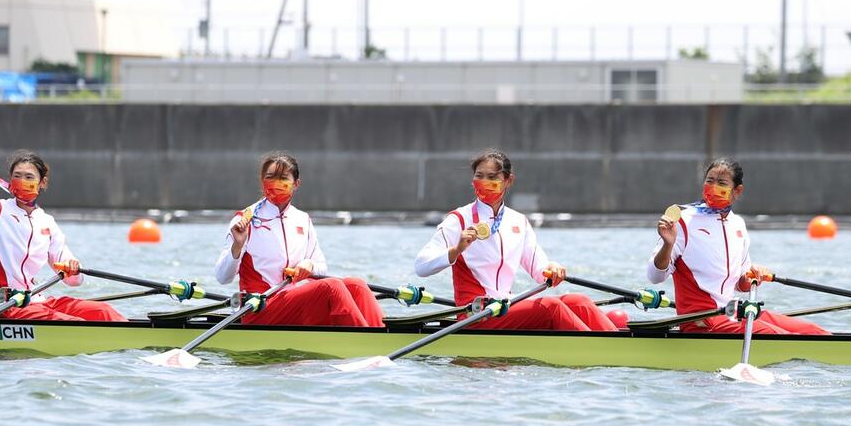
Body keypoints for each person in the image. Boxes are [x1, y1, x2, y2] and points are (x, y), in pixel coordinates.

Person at [414, 149, 617, 331]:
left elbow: (540, 271)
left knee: (579, 301)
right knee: (551, 307)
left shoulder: (518, 221)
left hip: (506, 306)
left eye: (492, 177)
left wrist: (552, 268)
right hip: (476, 313)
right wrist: (456, 250)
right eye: (479, 176)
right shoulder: (458, 219)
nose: (484, 182)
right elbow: (421, 266)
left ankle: (616, 346)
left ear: (508, 181)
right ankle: (599, 352)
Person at [648, 157, 829, 334]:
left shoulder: (738, 224)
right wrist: (667, 245)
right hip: (700, 320)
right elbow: (655, 276)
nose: (713, 187)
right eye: (709, 181)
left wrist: (752, 277)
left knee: (815, 332)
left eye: (721, 183)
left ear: (737, 191)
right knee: (782, 336)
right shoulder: (683, 220)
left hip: (732, 313)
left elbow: (740, 285)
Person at [0, 150, 127, 322]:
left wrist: (74, 268)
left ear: (42, 183)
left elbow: (74, 281)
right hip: (3, 305)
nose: (22, 181)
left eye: (29, 177)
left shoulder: (47, 222)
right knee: (73, 324)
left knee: (104, 311)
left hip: (37, 301)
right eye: (17, 176)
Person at [214, 152, 384, 327]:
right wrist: (237, 246)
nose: (276, 183)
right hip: (261, 308)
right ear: (262, 181)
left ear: (296, 184)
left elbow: (322, 267)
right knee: (331, 287)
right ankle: (364, 338)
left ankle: (379, 333)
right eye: (270, 177)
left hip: (295, 301)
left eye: (283, 178)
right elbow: (222, 277)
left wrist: (309, 265)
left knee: (357, 285)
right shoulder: (244, 220)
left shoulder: (302, 219)